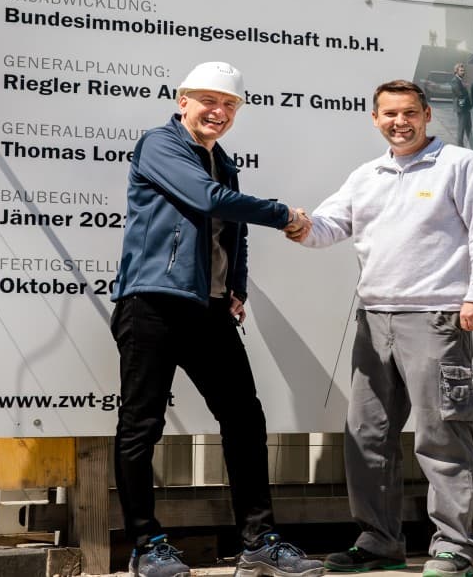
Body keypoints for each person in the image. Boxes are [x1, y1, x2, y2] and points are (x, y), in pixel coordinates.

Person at [109, 62, 323, 577]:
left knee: (245, 420)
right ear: (182, 101)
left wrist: (235, 289)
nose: (218, 112)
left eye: (229, 105)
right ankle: (146, 545)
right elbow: (207, 201)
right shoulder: (159, 144)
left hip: (207, 309)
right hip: (153, 302)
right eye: (208, 100)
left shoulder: (222, 161)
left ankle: (258, 541)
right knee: (142, 426)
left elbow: (231, 233)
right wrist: (284, 213)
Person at [291, 80, 473, 577]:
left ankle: (454, 546)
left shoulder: (459, 164)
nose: (399, 121)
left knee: (442, 434)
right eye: (389, 113)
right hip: (374, 321)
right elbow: (329, 226)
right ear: (375, 119)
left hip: (436, 319)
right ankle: (378, 542)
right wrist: (299, 226)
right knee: (367, 435)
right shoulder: (366, 175)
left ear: (427, 115)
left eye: (409, 112)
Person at [452, 63, 473, 147]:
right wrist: (464, 88)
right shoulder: (454, 80)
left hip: (465, 108)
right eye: (461, 70)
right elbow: (459, 94)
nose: (463, 72)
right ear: (456, 71)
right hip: (461, 108)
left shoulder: (460, 80)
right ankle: (460, 146)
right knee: (461, 129)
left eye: (464, 71)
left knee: (469, 128)